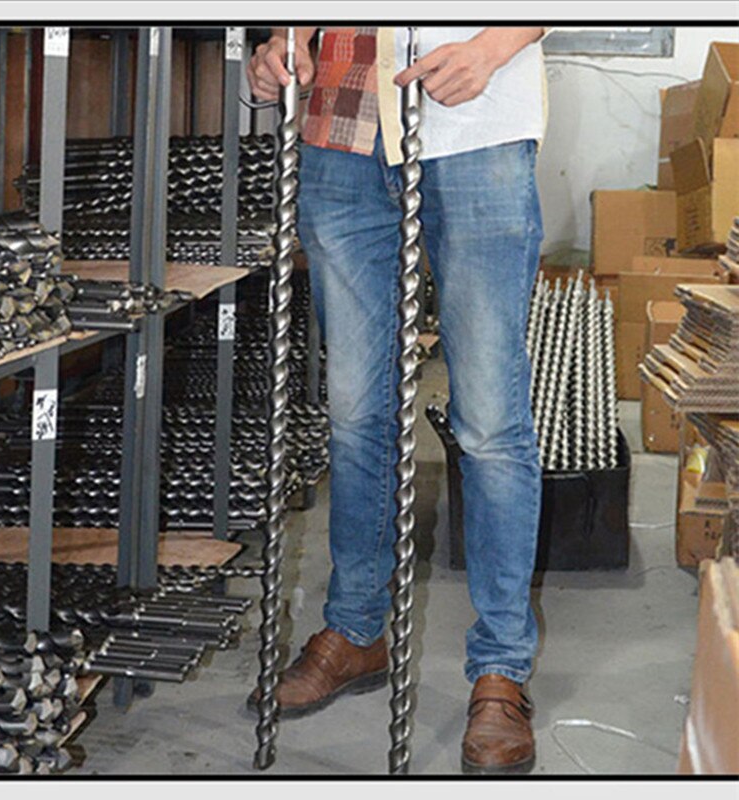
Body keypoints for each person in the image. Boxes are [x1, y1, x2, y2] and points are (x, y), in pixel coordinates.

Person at [247, 25, 547, 775]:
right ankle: (355, 631)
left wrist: (496, 45)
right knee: (355, 413)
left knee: (490, 423)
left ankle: (501, 667)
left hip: (476, 128)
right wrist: (279, 38)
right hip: (340, 134)